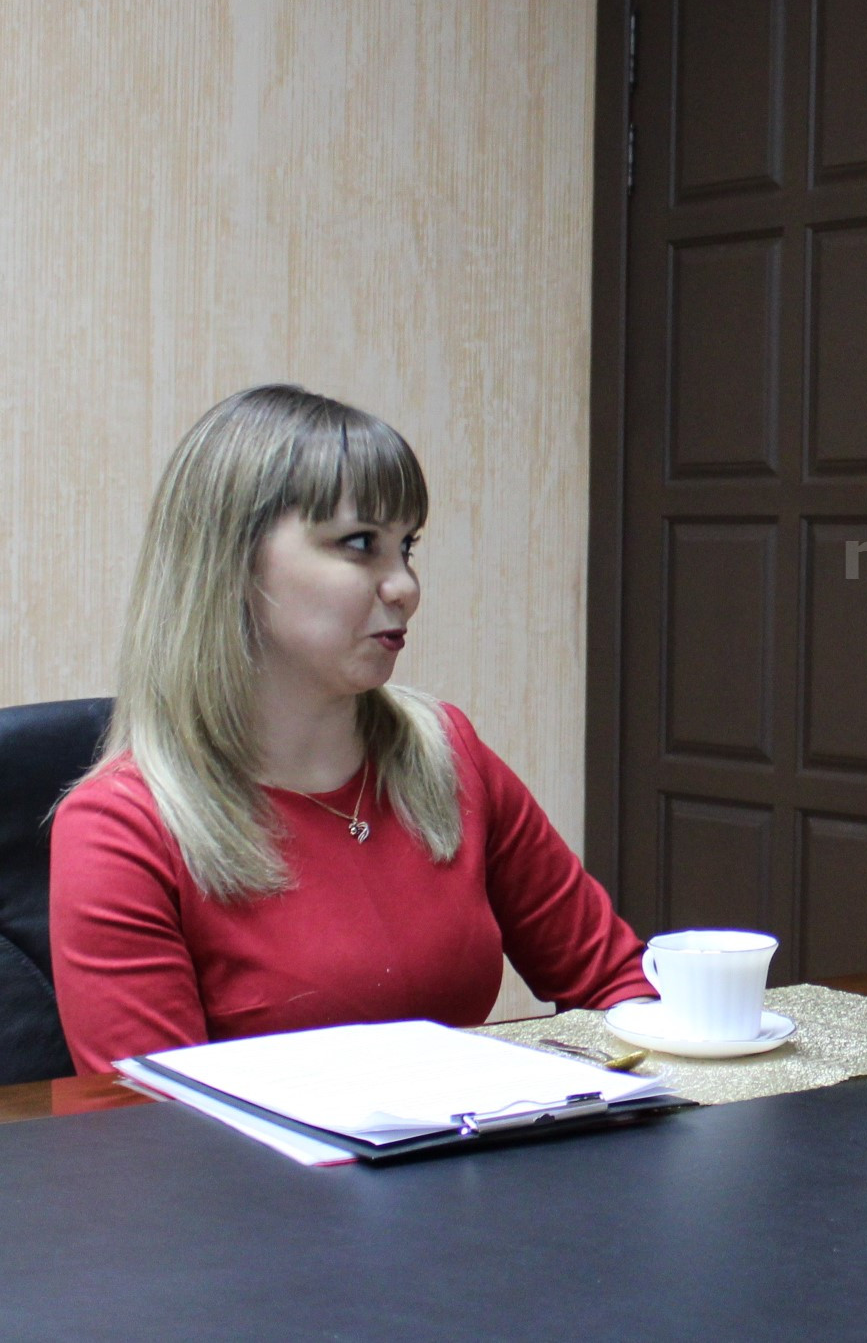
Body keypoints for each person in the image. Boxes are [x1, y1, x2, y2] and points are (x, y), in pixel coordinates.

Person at [51, 385, 656, 1075]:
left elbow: (619, 987)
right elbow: (155, 1123)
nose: (404, 587)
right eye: (361, 544)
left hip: (471, 1145)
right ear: (231, 562)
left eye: (407, 547)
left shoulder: (447, 753)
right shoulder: (120, 827)